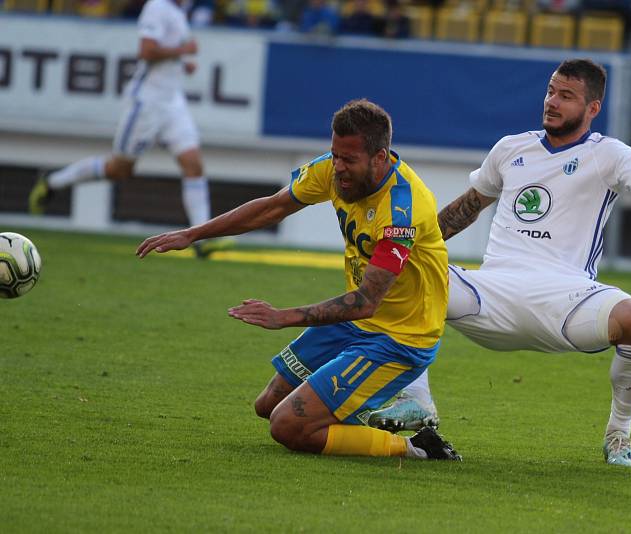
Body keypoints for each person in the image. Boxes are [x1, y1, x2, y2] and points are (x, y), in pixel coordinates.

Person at [368, 59, 631, 467]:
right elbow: (465, 210)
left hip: (567, 297)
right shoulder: (511, 148)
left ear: (592, 108)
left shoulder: (608, 154)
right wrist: (403, 247)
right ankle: (416, 403)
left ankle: (618, 435)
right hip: (492, 292)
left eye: (566, 96)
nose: (552, 102)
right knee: (399, 276)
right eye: (550, 92)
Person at [136, 99, 461, 461]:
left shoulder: (404, 209)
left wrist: (283, 316)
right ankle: (359, 410)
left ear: (380, 157)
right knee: (267, 405)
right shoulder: (334, 170)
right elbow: (274, 206)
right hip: (358, 324)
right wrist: (194, 234)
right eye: (335, 155)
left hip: (400, 338)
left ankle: (417, 448)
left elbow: (367, 300)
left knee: (287, 426)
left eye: (348, 160)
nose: (338, 168)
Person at [28, 0, 230, 259]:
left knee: (193, 164)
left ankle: (202, 241)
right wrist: (183, 49)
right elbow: (146, 51)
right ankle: (53, 181)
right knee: (120, 169)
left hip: (172, 103)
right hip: (146, 103)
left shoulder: (179, 11)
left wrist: (182, 62)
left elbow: (165, 53)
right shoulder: (157, 7)